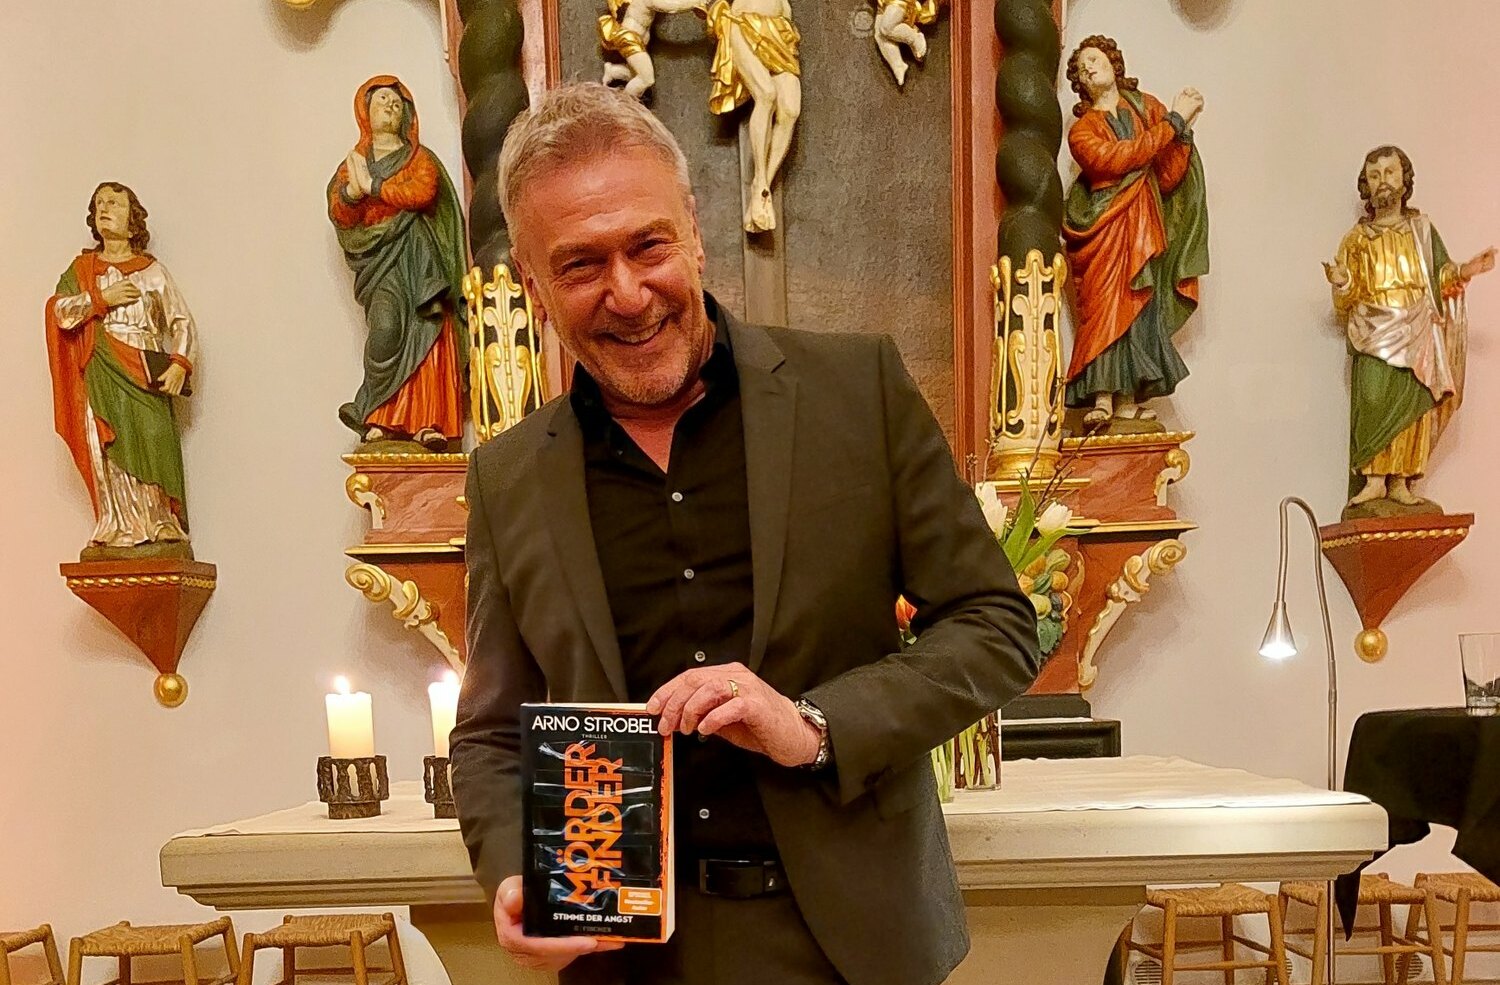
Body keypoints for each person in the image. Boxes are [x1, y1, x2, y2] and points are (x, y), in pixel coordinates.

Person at [450, 82, 1040, 985]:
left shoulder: (858, 393)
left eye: (648, 245)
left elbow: (997, 624)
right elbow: (490, 734)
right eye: (579, 265)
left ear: (693, 229)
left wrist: (813, 725)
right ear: (530, 285)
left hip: (854, 951)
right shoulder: (507, 477)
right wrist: (512, 872)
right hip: (626, 962)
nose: (627, 293)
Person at [1326, 145, 1494, 512]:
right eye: (1374, 176)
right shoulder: (1357, 239)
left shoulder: (1422, 231)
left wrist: (1466, 270)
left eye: (1390, 172)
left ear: (1404, 180)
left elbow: (1441, 276)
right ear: (1366, 186)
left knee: (1412, 402)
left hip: (1417, 326)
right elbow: (1345, 300)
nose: (1383, 181)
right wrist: (1342, 282)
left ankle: (1401, 480)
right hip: (1373, 329)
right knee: (1373, 397)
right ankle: (1373, 479)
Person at [1062, 35, 1208, 430]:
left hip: (1144, 225)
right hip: (1106, 227)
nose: (1089, 68)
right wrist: (1174, 123)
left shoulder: (1146, 108)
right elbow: (1116, 160)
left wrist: (1183, 134)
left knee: (1139, 307)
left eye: (1095, 59)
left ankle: (1126, 401)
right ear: (1079, 83)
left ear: (1114, 63)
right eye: (1081, 68)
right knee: (1105, 308)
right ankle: (1101, 397)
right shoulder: (1082, 131)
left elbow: (1166, 176)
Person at [46, 182, 198, 556]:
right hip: (101, 368)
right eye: (99, 203)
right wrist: (101, 298)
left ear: (133, 221)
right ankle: (118, 524)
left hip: (144, 370)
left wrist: (180, 363)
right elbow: (60, 312)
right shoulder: (82, 270)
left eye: (115, 203)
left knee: (153, 436)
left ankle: (160, 521)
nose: (105, 208)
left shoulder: (152, 272)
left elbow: (181, 321)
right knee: (110, 444)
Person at [328, 75, 468, 450]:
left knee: (429, 331)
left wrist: (372, 188)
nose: (389, 108)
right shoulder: (355, 163)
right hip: (380, 264)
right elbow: (341, 213)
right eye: (381, 102)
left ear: (406, 113)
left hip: (420, 262)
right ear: (365, 111)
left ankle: (430, 422)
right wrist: (352, 192)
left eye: (395, 103)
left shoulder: (419, 159)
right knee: (385, 329)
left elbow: (422, 191)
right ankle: (377, 412)